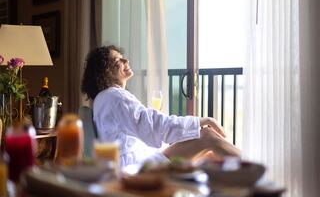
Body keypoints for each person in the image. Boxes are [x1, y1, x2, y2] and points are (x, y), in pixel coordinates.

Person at [81, 45, 240, 167]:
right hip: (137, 168)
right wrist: (200, 121)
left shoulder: (104, 99)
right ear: (105, 72)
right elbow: (152, 126)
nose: (126, 61)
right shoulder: (113, 96)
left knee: (210, 157)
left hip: (135, 162)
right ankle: (260, 172)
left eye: (123, 58)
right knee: (207, 136)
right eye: (118, 61)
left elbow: (145, 125)